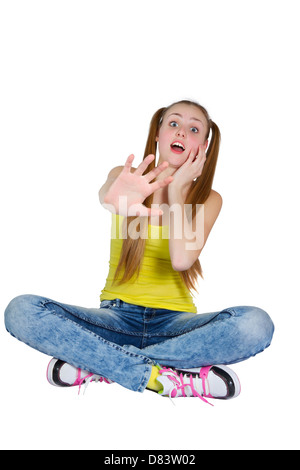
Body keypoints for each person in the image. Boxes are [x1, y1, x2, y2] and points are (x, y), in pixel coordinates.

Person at [4, 100, 274, 403]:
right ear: (157, 134)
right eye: (173, 123)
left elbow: (182, 259)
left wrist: (175, 190)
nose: (182, 132)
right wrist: (112, 197)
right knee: (21, 310)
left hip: (177, 329)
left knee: (256, 323)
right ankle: (159, 376)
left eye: (194, 128)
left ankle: (101, 365)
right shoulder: (127, 176)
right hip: (114, 320)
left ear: (204, 145)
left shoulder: (209, 199)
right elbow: (108, 196)